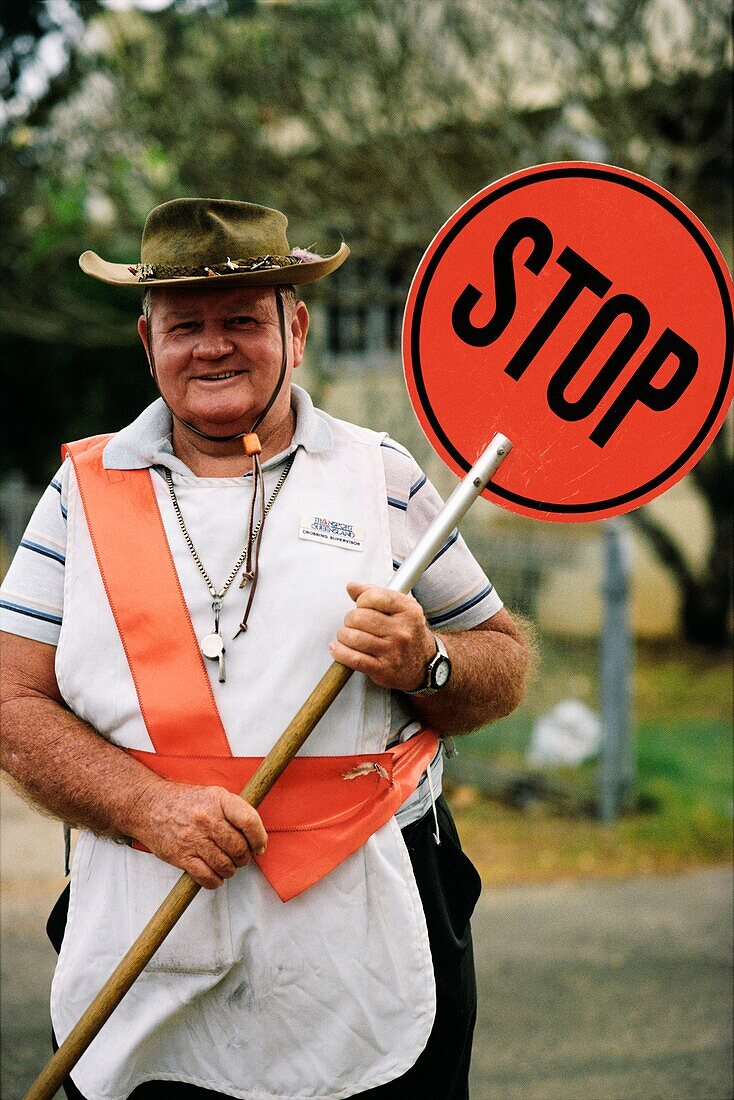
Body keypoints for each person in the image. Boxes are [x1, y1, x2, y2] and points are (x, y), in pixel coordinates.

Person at [0, 198, 529, 1100]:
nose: (213, 347)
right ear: (146, 341)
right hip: (143, 940)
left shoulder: (379, 474)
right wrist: (148, 809)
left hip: (364, 953)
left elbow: (502, 660)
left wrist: (425, 663)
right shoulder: (78, 490)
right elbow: (12, 703)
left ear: (297, 326)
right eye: (185, 325)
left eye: (243, 320)